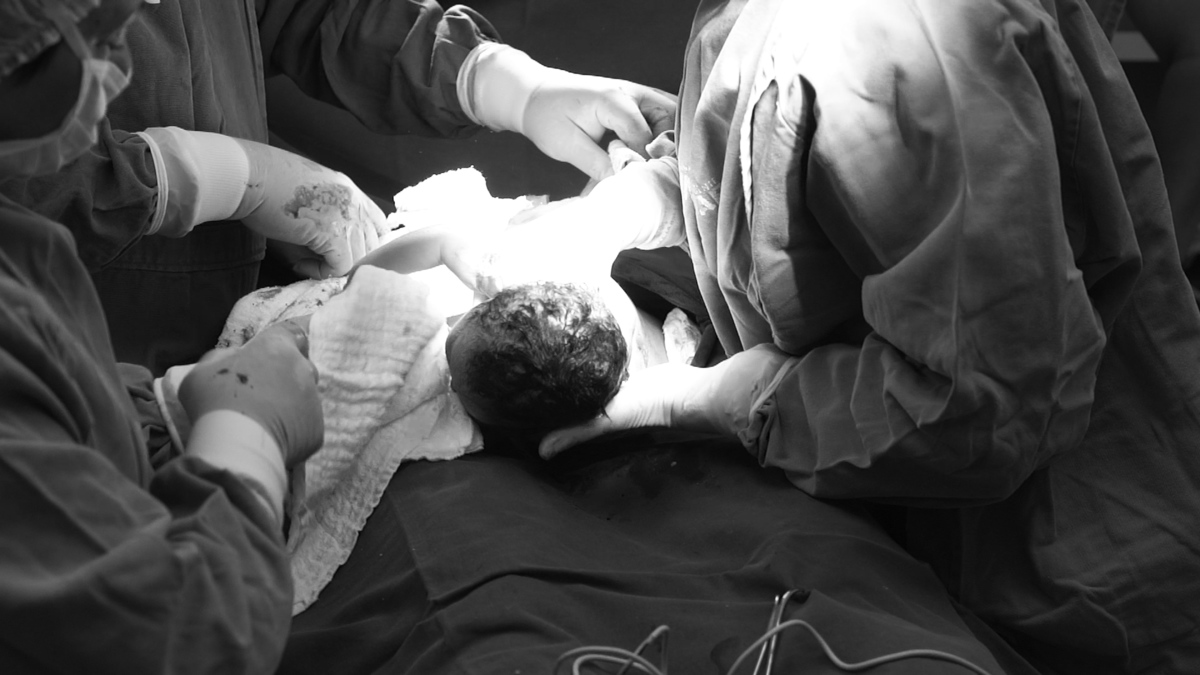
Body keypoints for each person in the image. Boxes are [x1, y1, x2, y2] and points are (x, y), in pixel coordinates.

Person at [509, 0, 1200, 671]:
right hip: (915, 541)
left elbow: (984, 406)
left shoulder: (888, 41)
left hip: (1065, 576)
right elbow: (807, 181)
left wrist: (737, 398)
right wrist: (670, 191)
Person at [0, 0, 677, 376]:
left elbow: (308, 8)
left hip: (244, 314)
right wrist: (200, 177)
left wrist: (499, 82)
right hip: (87, 343)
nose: (115, 53)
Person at [0, 0, 331, 671]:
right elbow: (188, 638)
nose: (120, 68)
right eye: (90, 37)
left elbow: (51, 391)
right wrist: (247, 438)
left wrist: (149, 411)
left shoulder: (21, 247)